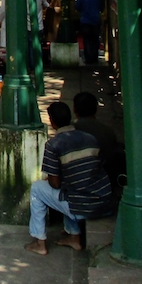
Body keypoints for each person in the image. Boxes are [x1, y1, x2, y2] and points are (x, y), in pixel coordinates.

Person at [26, 101, 113, 255]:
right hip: (104, 200)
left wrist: (56, 177)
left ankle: (40, 242)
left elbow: (55, 183)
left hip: (82, 205)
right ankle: (74, 238)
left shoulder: (53, 145)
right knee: (71, 184)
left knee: (37, 188)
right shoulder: (89, 138)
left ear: (52, 122)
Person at [72, 91, 123, 183]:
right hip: (105, 180)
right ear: (96, 109)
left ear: (74, 109)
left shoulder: (70, 131)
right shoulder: (108, 131)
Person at [75, 0, 105, 64]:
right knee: (95, 39)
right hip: (96, 19)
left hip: (85, 20)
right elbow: (102, 7)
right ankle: (95, 57)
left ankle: (88, 58)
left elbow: (77, 7)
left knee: (87, 39)